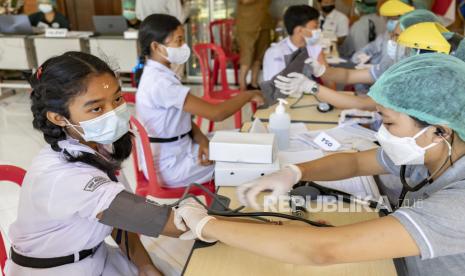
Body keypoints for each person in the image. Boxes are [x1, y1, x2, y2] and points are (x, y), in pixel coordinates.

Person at [176, 53, 465, 276]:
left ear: (439, 131)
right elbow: (353, 164)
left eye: (389, 123)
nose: (381, 133)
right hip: (398, 260)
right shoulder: (428, 152)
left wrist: (206, 225)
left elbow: (322, 250)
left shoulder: (458, 202)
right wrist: (296, 172)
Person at [3, 51, 192, 276]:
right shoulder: (64, 174)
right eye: (96, 108)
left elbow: (118, 219)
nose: (113, 113)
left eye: (117, 99)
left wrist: (145, 265)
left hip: (95, 256)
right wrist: (206, 223)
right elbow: (166, 223)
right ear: (58, 117)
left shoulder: (96, 146)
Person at [135, 14, 264, 187]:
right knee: (250, 156)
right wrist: (248, 95)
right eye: (179, 41)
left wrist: (202, 140)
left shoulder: (159, 75)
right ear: (156, 46)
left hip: (181, 149)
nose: (184, 46)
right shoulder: (160, 83)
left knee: (243, 138)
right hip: (171, 166)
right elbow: (216, 114)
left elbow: (181, 119)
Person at [273, 10, 443, 112]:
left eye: (397, 37)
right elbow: (348, 76)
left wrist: (312, 87)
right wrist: (323, 71)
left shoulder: (420, 77)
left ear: (418, 42)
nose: (391, 41)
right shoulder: (395, 65)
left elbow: (362, 103)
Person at [262, 5, 327, 82]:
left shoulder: (313, 47)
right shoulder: (277, 53)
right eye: (315, 27)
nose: (318, 30)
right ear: (299, 30)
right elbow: (276, 88)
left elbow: (327, 77)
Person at [351, 0, 414, 65]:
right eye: (388, 18)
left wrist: (376, 69)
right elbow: (370, 48)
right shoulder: (385, 35)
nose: (390, 21)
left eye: (395, 18)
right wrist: (361, 56)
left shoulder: (410, 41)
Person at [236, 0, 274, 90]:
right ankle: (242, 85)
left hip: (263, 24)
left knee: (259, 55)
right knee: (247, 55)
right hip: (247, 25)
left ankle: (254, 83)